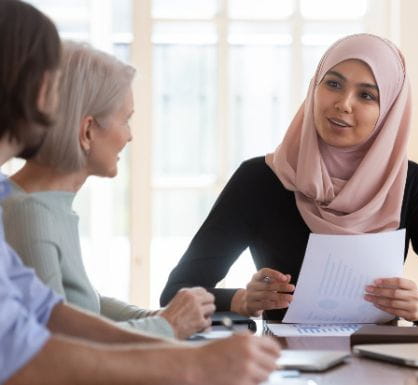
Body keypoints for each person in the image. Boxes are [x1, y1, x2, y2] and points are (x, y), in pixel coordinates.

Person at [1, 1, 279, 384]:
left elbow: (49, 310)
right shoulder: (23, 209)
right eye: (50, 79)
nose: (55, 101)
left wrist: (165, 330)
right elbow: (31, 350)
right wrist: (187, 354)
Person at [161, 33, 418, 324]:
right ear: (314, 88)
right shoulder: (260, 179)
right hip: (283, 364)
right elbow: (176, 293)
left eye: (367, 95)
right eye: (333, 84)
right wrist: (241, 300)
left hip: (380, 361)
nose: (342, 104)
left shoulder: (411, 184)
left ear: (390, 110)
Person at [1, 41, 215, 340]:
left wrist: (161, 318)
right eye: (125, 120)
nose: (130, 136)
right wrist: (167, 326)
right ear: (87, 130)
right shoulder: (29, 212)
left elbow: (86, 307)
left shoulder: (48, 205)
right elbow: (57, 342)